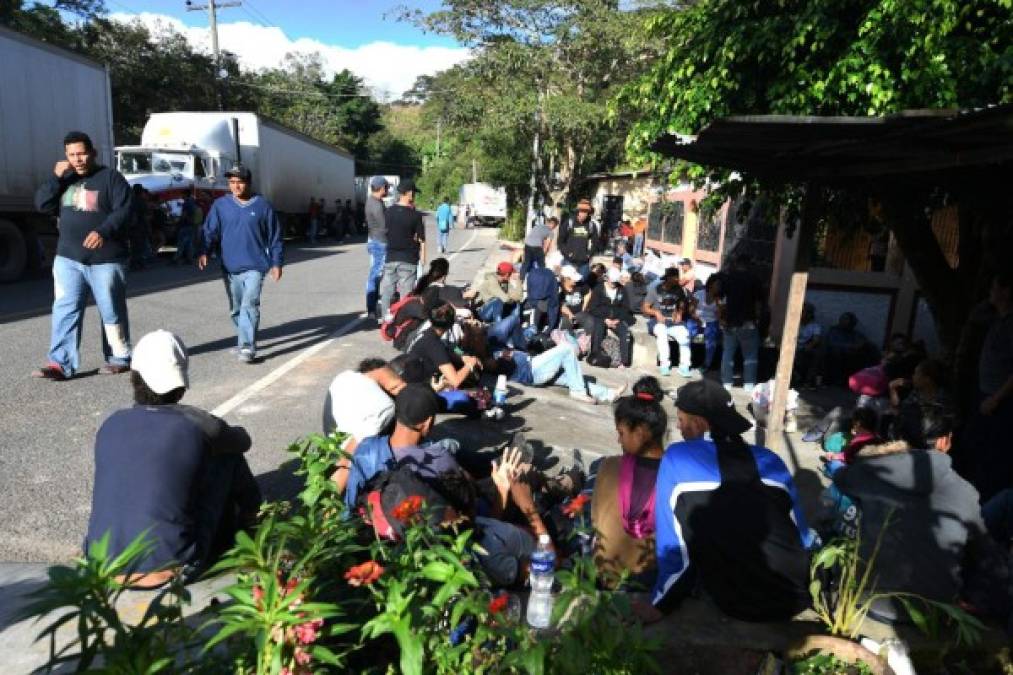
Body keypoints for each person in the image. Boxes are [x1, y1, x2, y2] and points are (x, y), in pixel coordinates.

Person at [84, 330, 261, 586]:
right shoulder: (197, 424)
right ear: (179, 385)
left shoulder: (111, 424)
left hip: (102, 565)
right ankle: (250, 523)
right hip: (173, 568)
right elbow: (242, 442)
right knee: (228, 458)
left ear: (134, 378)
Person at [645, 379, 815, 622]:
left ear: (699, 424)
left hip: (737, 603)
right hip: (794, 595)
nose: (680, 429)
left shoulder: (677, 459)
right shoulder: (771, 460)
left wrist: (659, 604)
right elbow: (803, 536)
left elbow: (674, 549)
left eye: (681, 420)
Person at [825, 408, 989, 622]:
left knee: (832, 516)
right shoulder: (967, 492)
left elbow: (840, 479)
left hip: (866, 601)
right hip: (934, 611)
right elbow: (983, 556)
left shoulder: (871, 469)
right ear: (943, 442)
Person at [32, 130, 133, 380]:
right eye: (72, 154)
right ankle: (59, 364)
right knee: (65, 309)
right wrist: (55, 177)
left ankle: (118, 357)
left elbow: (125, 210)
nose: (77, 159)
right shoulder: (64, 181)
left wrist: (104, 231)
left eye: (82, 153)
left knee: (111, 310)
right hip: (68, 258)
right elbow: (42, 205)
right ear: (66, 156)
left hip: (106, 259)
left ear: (93, 153)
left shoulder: (111, 178)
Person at [198, 164, 284, 364]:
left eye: (240, 182)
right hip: (230, 266)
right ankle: (243, 339)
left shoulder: (262, 206)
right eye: (232, 182)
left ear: (248, 183)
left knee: (249, 304)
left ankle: (247, 346)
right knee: (236, 308)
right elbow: (209, 230)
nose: (236, 186)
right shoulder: (221, 205)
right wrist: (204, 250)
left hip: (255, 265)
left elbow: (275, 237)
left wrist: (276, 263)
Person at [591, 376, 666, 587]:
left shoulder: (609, 466)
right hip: (654, 583)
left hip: (606, 578)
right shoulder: (675, 473)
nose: (618, 440)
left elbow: (596, 523)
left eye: (621, 433)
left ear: (640, 433)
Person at [964, 271, 1013, 501]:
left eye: (995, 288)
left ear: (1006, 291)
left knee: (993, 456)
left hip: (999, 401)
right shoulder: (996, 318)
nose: (990, 292)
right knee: (978, 448)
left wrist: (996, 399)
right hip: (984, 393)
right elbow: (974, 316)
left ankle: (985, 504)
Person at [379, 179, 426, 320]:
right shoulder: (416, 215)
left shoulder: (387, 212)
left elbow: (383, 233)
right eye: (414, 193)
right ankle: (403, 320)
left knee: (387, 290)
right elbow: (421, 238)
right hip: (408, 258)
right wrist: (423, 256)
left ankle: (386, 319)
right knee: (405, 293)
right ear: (409, 193)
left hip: (390, 257)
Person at [718, 253, 765, 392]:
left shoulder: (728, 279)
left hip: (730, 322)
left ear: (736, 264)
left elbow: (721, 301)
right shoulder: (754, 279)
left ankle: (726, 383)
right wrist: (757, 319)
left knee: (728, 353)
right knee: (750, 355)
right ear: (748, 264)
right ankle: (749, 385)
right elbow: (759, 303)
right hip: (748, 323)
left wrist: (722, 318)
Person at [407, 302, 481, 389]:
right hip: (420, 385)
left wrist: (462, 355)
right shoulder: (435, 343)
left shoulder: (432, 328)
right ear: (451, 323)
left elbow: (452, 346)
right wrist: (470, 364)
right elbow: (455, 381)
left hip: (422, 367)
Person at [643, 268, 693, 377]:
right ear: (668, 278)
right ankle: (664, 364)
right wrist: (656, 312)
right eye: (675, 277)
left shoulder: (679, 290)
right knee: (662, 334)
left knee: (684, 335)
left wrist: (680, 312)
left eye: (677, 277)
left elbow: (682, 304)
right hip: (657, 321)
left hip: (673, 321)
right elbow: (645, 308)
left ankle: (684, 366)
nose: (677, 279)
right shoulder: (655, 289)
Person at [587, 267, 634, 368]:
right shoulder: (599, 289)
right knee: (598, 329)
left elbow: (625, 308)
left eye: (615, 282)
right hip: (602, 317)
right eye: (611, 281)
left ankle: (624, 361)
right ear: (607, 278)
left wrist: (618, 319)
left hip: (617, 318)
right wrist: (605, 319)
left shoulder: (622, 290)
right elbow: (592, 307)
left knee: (625, 333)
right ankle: (595, 354)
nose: (613, 284)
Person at [365, 176, 390, 319]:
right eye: (386, 187)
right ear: (381, 188)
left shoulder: (373, 201)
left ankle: (373, 307)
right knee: (376, 275)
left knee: (377, 274)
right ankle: (372, 309)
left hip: (373, 239)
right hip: (380, 242)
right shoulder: (376, 205)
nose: (387, 190)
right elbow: (384, 227)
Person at [558, 199, 596, 277]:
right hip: (569, 261)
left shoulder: (591, 225)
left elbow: (595, 242)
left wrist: (589, 255)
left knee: (581, 285)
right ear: (578, 211)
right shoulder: (569, 223)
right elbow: (561, 241)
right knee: (567, 284)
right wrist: (567, 254)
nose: (584, 214)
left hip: (584, 263)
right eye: (582, 211)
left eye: (586, 212)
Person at [793, 302, 824, 388]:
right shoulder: (793, 323)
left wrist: (808, 346)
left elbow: (816, 340)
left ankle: (808, 381)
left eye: (804, 312)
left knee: (816, 354)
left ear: (810, 314)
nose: (802, 314)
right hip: (791, 348)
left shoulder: (815, 326)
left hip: (804, 349)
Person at [694, 275, 721, 371]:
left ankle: (707, 364)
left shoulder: (720, 298)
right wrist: (697, 319)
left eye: (720, 285)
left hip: (711, 322)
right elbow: (691, 310)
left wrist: (719, 304)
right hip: (697, 319)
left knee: (711, 340)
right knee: (692, 333)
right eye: (717, 284)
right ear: (710, 284)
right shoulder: (699, 294)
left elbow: (719, 316)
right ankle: (693, 360)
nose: (719, 287)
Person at [558, 265, 594, 332]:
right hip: (565, 316)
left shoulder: (580, 284)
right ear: (566, 279)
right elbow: (559, 304)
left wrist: (584, 308)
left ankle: (588, 339)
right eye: (573, 278)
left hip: (579, 313)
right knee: (566, 324)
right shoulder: (559, 288)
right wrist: (570, 315)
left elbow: (588, 292)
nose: (576, 280)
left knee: (591, 321)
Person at [521, 216, 557, 280]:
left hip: (527, 244)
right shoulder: (550, 232)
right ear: (554, 225)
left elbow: (531, 236)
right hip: (536, 247)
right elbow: (547, 245)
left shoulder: (538, 226)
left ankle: (521, 279)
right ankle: (542, 280)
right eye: (554, 226)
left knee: (526, 263)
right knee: (541, 264)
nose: (554, 228)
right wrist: (544, 254)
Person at [172, 193, 201, 265]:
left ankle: (176, 259)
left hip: (185, 225)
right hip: (192, 225)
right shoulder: (193, 204)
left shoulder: (186, 204)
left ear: (184, 195)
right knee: (189, 243)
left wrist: (178, 223)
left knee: (181, 243)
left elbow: (183, 215)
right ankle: (190, 259)